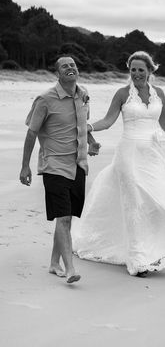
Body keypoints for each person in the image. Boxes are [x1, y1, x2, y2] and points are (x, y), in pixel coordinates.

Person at [71, 51, 165, 277]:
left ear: (150, 71)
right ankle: (138, 260)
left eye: (141, 69)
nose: (136, 74)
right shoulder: (122, 94)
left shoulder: (159, 94)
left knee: (159, 200)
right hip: (128, 154)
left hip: (153, 155)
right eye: (133, 70)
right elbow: (108, 121)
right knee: (135, 203)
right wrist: (88, 127)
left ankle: (156, 249)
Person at [19, 56, 100, 284]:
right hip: (54, 165)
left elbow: (82, 124)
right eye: (64, 66)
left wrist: (91, 142)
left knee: (67, 218)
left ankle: (54, 263)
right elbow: (31, 133)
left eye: (73, 65)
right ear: (57, 73)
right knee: (63, 218)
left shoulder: (83, 94)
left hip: (78, 165)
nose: (70, 68)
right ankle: (70, 268)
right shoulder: (45, 100)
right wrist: (25, 165)